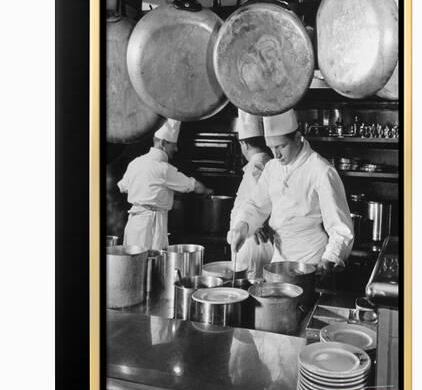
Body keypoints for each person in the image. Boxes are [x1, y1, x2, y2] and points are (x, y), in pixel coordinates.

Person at [228, 110, 354, 274]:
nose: (276, 155)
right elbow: (256, 205)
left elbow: (341, 228)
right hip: (278, 261)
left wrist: (329, 258)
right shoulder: (272, 168)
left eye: (281, 146)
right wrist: (242, 227)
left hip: (311, 261)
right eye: (271, 147)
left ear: (297, 138)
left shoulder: (321, 170)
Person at [118, 119, 213, 250]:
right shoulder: (164, 169)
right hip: (151, 225)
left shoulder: (135, 163)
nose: (176, 148)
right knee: (151, 263)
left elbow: (123, 187)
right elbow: (195, 186)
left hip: (134, 223)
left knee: (133, 264)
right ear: (163, 143)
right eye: (173, 144)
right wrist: (208, 191)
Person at [230, 110, 273, 279]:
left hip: (253, 244)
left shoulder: (256, 166)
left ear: (244, 144)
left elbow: (260, 199)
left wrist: (256, 224)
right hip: (253, 239)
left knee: (251, 285)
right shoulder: (268, 162)